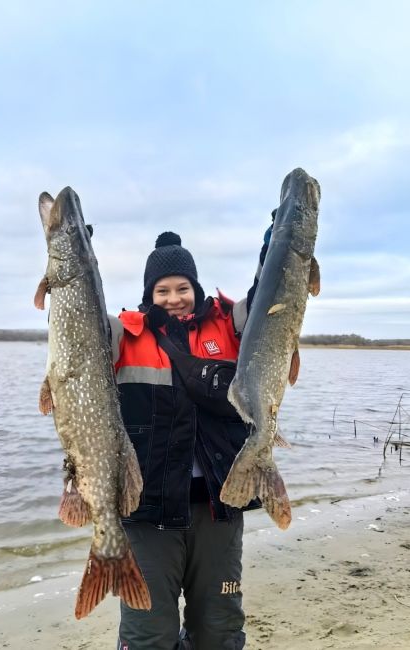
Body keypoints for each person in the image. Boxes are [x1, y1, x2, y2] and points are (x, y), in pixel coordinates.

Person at [108, 224, 272, 650]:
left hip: (217, 508)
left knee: (219, 628)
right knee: (148, 633)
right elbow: (80, 333)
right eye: (162, 290)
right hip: (146, 512)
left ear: (196, 288)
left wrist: (277, 243)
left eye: (182, 288)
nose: (174, 299)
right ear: (150, 294)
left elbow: (269, 298)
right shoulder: (125, 335)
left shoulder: (228, 325)